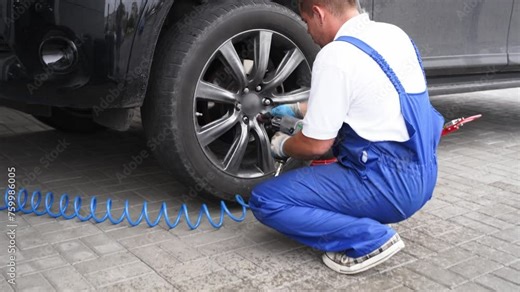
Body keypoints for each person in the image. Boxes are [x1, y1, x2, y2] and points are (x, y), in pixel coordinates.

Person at [249, 0, 445, 274]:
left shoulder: (335, 55)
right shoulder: (394, 35)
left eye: (306, 22)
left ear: (318, 13)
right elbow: (368, 96)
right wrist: (297, 109)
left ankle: (369, 239)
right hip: (423, 173)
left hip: (387, 183)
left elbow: (316, 145)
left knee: (266, 200)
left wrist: (283, 145)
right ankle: (373, 215)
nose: (308, 32)